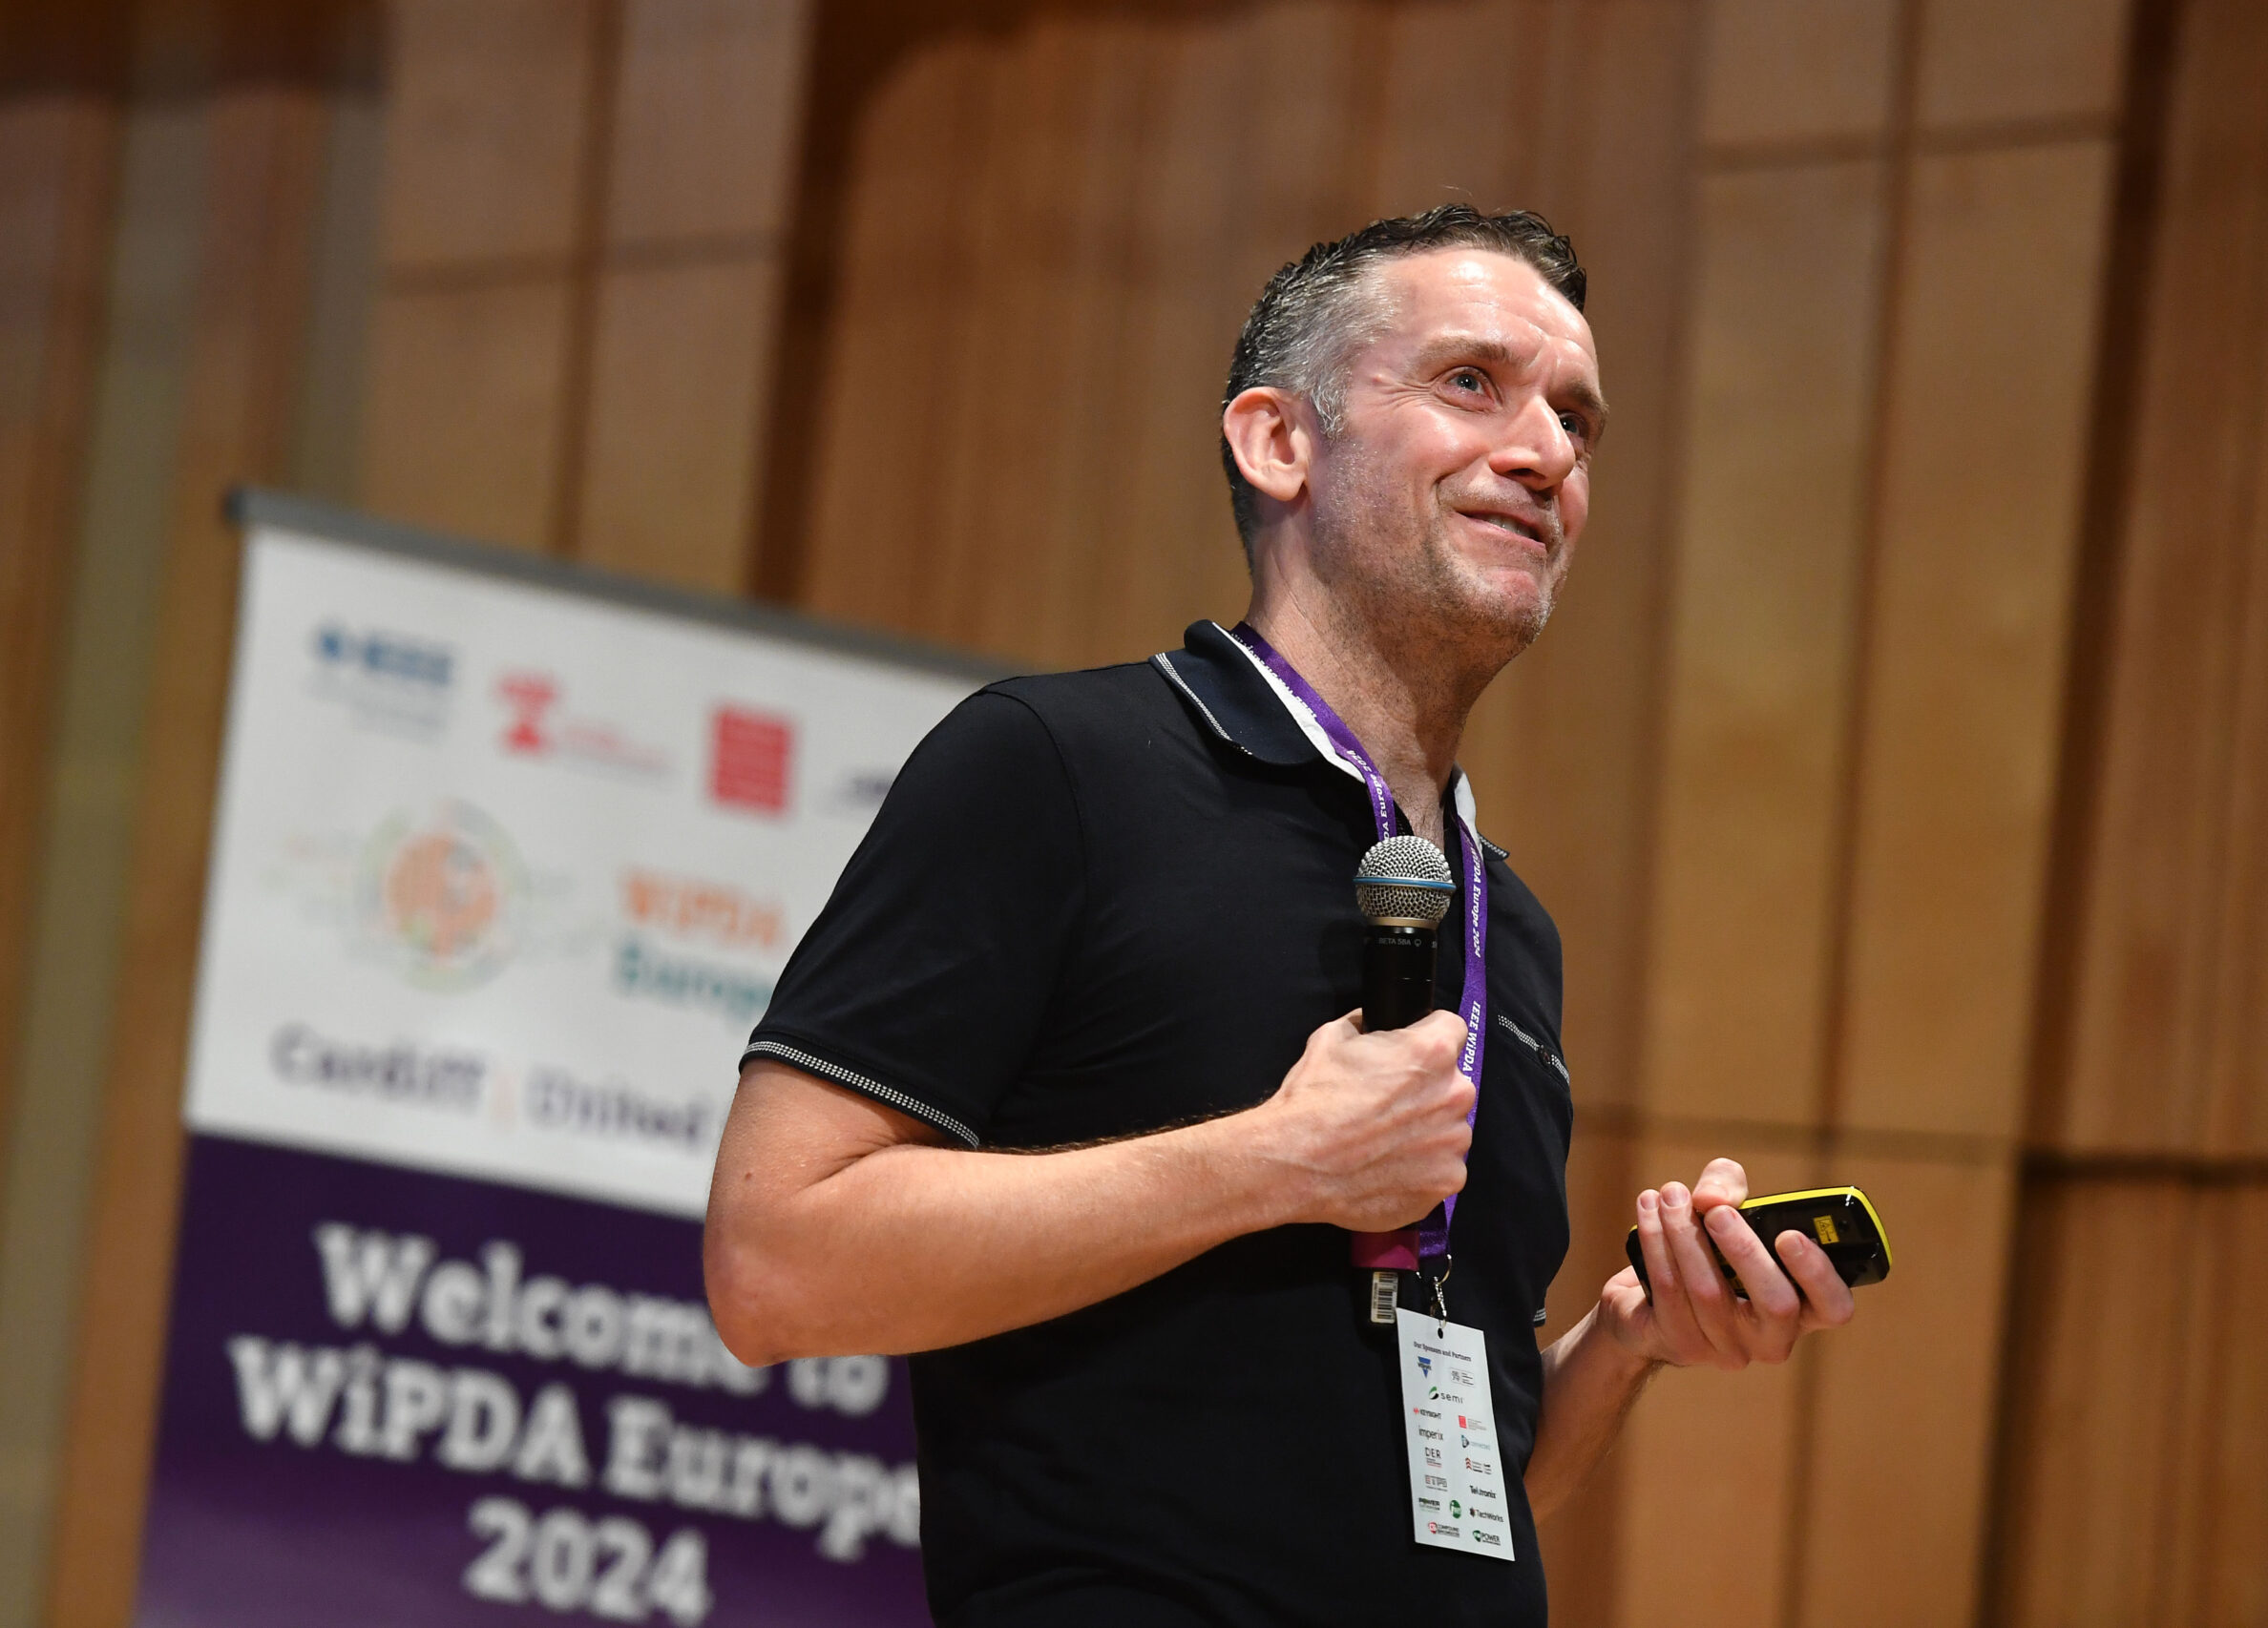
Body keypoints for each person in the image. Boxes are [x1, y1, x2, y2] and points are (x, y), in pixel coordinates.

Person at [702, 205, 1857, 1626]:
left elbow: (1449, 1495)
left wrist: (1627, 1341)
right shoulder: (1058, 767)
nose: (1548, 449)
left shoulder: (1514, 931)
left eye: (1577, 417)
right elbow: (774, 1262)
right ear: (1279, 442)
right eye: (1471, 383)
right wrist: (1276, 1160)